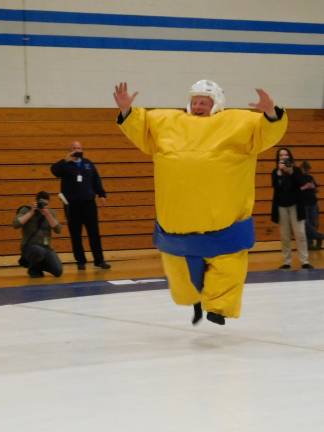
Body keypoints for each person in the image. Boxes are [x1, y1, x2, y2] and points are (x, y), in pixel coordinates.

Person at [114, 80, 287, 325]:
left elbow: (267, 131)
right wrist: (126, 111)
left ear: (216, 104)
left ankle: (219, 307)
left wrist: (270, 113)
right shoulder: (168, 123)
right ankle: (194, 301)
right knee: (182, 276)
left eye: (204, 102)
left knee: (228, 266)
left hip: (223, 220)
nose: (198, 106)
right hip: (178, 221)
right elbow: (142, 127)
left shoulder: (237, 122)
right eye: (195, 101)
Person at [50, 141, 111, 270]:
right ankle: (80, 261)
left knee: (94, 233)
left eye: (79, 148)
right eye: (74, 148)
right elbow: (54, 171)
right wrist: (65, 159)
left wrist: (101, 194)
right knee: (76, 234)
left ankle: (99, 260)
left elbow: (96, 179)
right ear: (70, 150)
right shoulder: (65, 165)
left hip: (89, 204)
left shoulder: (88, 164)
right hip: (72, 205)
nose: (77, 150)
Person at [271, 149, 313, 269]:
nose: (283, 157)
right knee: (285, 235)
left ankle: (304, 260)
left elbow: (301, 184)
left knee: (300, 233)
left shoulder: (296, 170)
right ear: (278, 158)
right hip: (281, 207)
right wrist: (279, 172)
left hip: (295, 206)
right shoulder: (275, 172)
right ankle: (286, 261)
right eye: (281, 155)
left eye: (286, 154)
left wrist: (291, 172)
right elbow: (276, 186)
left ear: (290, 156)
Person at [13, 191, 63, 278]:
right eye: (41, 203)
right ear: (36, 201)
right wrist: (32, 212)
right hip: (29, 246)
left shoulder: (50, 212)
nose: (42, 206)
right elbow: (16, 224)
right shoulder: (26, 210)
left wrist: (47, 214)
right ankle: (33, 269)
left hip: (46, 247)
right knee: (38, 251)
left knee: (58, 271)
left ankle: (40, 265)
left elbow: (58, 230)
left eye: (45, 204)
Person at [299, 160, 323, 250]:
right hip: (303, 204)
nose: (307, 172)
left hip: (313, 203)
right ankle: (318, 237)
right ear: (301, 168)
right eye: (305, 169)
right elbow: (295, 191)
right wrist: (305, 187)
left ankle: (313, 243)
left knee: (314, 223)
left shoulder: (310, 177)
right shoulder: (298, 178)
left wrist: (313, 187)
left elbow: (316, 190)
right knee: (306, 224)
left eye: (308, 170)